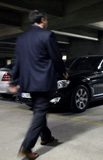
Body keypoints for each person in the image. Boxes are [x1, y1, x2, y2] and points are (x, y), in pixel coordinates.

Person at [8, 10, 68, 159]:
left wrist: (14, 81)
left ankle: (46, 136)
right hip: (43, 81)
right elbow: (56, 57)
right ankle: (26, 147)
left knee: (39, 110)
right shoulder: (47, 35)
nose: (47, 22)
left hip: (29, 82)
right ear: (42, 19)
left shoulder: (22, 38)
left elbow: (18, 62)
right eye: (46, 19)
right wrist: (63, 72)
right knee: (40, 111)